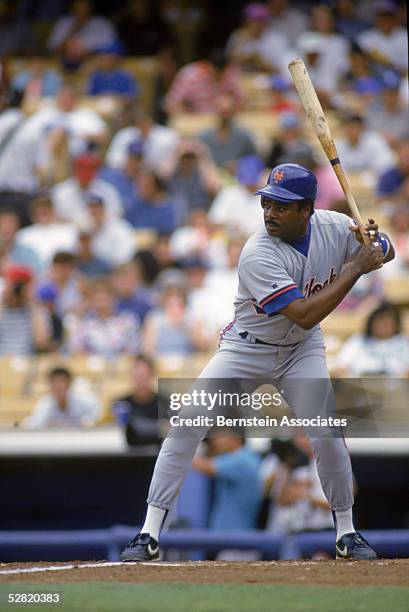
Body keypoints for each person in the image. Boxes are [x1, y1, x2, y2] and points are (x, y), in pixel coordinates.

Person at [120, 162, 394, 562]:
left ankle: (347, 532)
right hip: (246, 349)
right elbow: (304, 313)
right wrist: (356, 266)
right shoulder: (257, 252)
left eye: (281, 206)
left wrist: (377, 243)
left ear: (307, 210)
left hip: (301, 350)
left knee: (327, 433)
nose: (269, 212)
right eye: (267, 202)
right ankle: (148, 532)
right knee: (186, 423)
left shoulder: (335, 226)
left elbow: (386, 250)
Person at [66, 279, 140, 359]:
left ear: (113, 300)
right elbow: (75, 350)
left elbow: (133, 350)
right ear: (91, 302)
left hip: (121, 367)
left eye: (104, 300)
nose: (101, 305)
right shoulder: (83, 324)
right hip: (90, 368)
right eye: (97, 301)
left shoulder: (127, 321)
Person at [335, 303, 409, 377]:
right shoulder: (358, 340)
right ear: (371, 322)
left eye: (388, 322)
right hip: (359, 383)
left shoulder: (404, 342)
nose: (384, 325)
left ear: (396, 324)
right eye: (380, 320)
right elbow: (341, 368)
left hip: (395, 384)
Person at [164, 49, 244, 114]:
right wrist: (188, 111)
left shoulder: (231, 73)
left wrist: (231, 104)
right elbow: (170, 105)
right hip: (197, 120)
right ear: (207, 65)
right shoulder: (189, 75)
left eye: (222, 75)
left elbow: (242, 101)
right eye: (215, 74)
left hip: (223, 122)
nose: (218, 78)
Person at [48, 0, 117, 70]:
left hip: (96, 67)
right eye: (78, 8)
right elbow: (53, 51)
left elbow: (114, 49)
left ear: (90, 8)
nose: (81, 11)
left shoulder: (102, 23)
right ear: (72, 8)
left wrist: (88, 53)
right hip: (65, 68)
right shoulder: (63, 23)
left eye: (84, 7)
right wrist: (74, 29)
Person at [226, 3, 292, 75]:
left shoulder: (277, 40)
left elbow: (280, 70)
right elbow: (229, 63)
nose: (257, 25)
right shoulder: (238, 36)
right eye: (253, 21)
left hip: (268, 81)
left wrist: (260, 62)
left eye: (261, 21)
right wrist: (245, 58)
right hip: (241, 80)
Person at [24, 366, 101, 428]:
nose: (58, 386)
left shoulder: (85, 401)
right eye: (54, 382)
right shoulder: (46, 404)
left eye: (62, 382)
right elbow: (35, 425)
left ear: (69, 384)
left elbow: (96, 419)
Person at [111, 354, 160, 447]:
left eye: (143, 376)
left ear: (151, 376)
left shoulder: (166, 404)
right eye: (136, 376)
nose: (140, 381)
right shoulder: (120, 404)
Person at [199, 93, 257, 171]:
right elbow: (200, 162)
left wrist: (240, 165)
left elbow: (254, 160)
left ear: (234, 112)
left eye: (227, 112)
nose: (225, 116)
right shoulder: (204, 137)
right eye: (222, 112)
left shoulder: (244, 136)